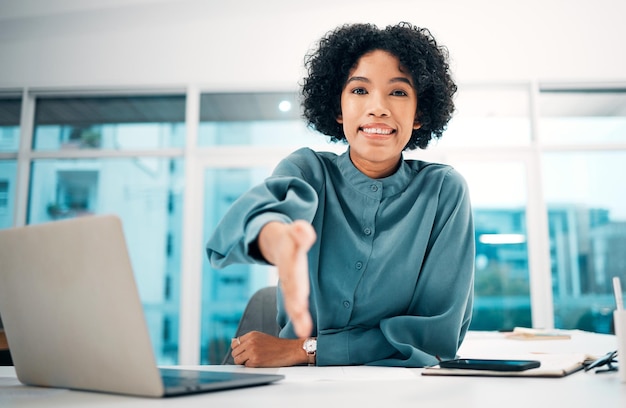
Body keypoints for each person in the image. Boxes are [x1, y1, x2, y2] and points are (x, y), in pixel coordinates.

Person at [206, 21, 474, 368]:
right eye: (360, 91)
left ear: (420, 113)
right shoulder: (306, 171)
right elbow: (261, 215)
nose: (378, 107)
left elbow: (434, 338)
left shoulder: (443, 192)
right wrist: (272, 236)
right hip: (296, 387)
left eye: (398, 92)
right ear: (337, 107)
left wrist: (303, 349)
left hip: (398, 387)